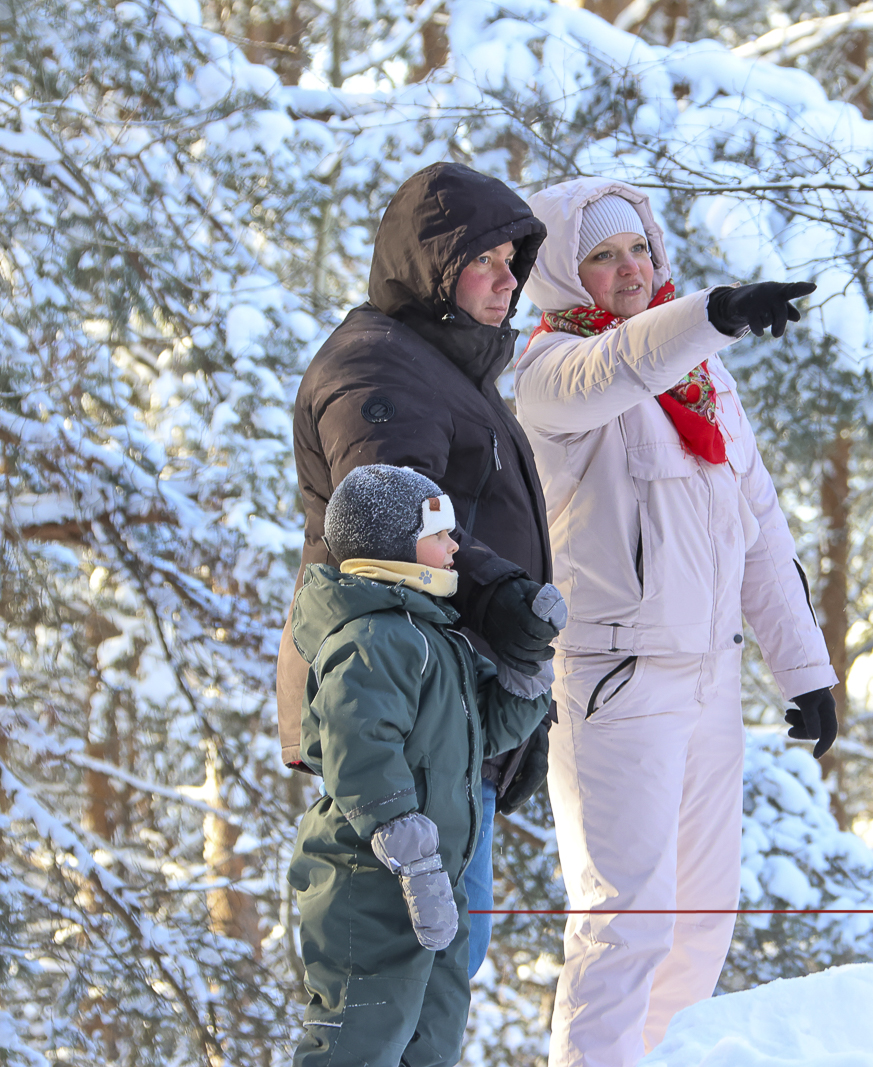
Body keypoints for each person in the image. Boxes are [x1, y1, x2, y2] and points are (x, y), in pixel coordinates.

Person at [515, 177, 841, 1067]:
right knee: (625, 926)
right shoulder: (548, 372)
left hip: (709, 681)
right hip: (617, 682)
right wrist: (720, 309)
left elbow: (760, 525)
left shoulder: (701, 377)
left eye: (639, 250)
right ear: (560, 270)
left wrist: (805, 669)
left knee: (700, 921)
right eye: (602, 254)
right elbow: (622, 364)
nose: (629, 269)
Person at [280, 161, 559, 979]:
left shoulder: (443, 369)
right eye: (486, 261)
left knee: (442, 966)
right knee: (411, 969)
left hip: (447, 702)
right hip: (406, 706)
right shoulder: (382, 374)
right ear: (433, 266)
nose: (510, 281)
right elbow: (392, 523)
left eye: (515, 261)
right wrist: (507, 599)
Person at [286, 464, 558, 1066]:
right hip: (372, 883)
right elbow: (364, 752)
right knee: (358, 1044)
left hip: (435, 882)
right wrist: (413, 857)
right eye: (441, 534)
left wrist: (525, 671)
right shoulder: (372, 639)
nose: (456, 546)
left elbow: (478, 735)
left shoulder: (436, 637)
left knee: (430, 1041)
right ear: (395, 545)